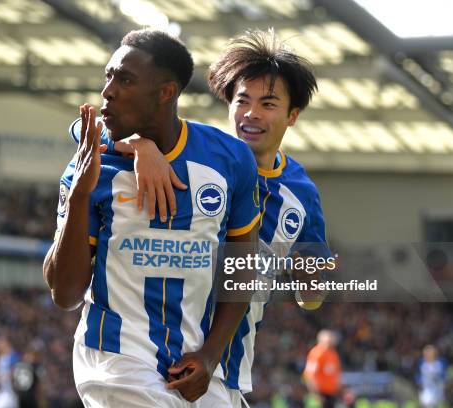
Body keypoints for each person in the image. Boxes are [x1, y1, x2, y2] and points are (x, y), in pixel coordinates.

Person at [77, 29, 331, 407]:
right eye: (242, 100)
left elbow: (311, 291)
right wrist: (139, 145)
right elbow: (88, 133)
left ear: (292, 116)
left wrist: (312, 285)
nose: (251, 114)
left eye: (268, 104)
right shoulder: (201, 156)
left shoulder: (301, 193)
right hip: (165, 363)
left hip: (226, 374)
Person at [43, 28, 261, 407]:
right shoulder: (93, 164)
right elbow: (64, 295)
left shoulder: (228, 159)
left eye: (124, 79)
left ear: (165, 92)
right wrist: (79, 195)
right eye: (107, 77)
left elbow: (241, 267)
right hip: (117, 362)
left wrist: (211, 355)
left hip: (194, 368)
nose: (107, 91)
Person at [303, 330, 341, 408]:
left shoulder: (333, 354)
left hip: (331, 394)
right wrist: (315, 394)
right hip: (320, 394)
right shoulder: (317, 353)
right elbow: (309, 375)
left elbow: (335, 374)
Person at [0, 335, 21, 408]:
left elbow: (16, 371)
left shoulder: (13, 356)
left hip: (10, 392)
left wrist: (5, 377)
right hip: (2, 391)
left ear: (5, 343)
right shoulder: (0, 358)